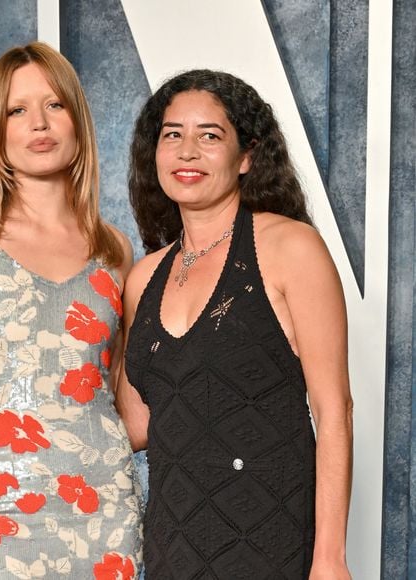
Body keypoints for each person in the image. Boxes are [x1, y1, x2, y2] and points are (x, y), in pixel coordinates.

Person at [0, 42, 143, 580]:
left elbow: (115, 395)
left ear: (77, 120)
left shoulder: (115, 251)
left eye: (54, 105)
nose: (38, 124)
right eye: (17, 110)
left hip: (106, 511)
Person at [117, 69, 353, 579]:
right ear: (153, 153)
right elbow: (136, 427)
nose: (186, 152)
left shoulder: (290, 248)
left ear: (246, 157)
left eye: (210, 136)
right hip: (172, 544)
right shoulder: (143, 278)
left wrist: (330, 559)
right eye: (172, 135)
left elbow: (334, 413)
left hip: (271, 539)